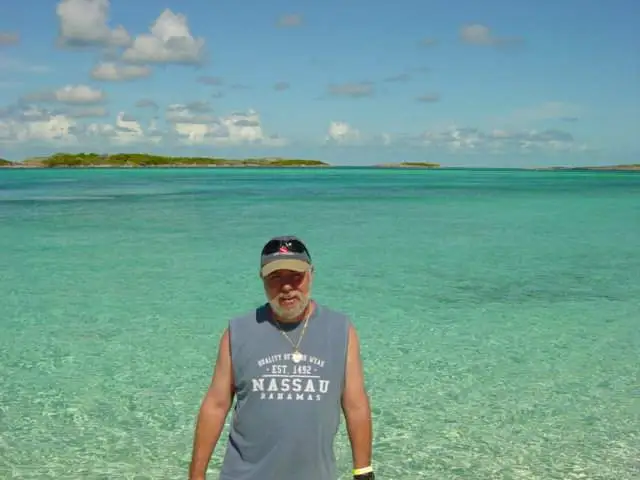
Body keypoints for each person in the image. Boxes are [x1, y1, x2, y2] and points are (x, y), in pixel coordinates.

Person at [188, 235, 375, 480]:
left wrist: (363, 471)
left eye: (295, 276)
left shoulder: (341, 330)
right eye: (276, 277)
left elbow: (356, 404)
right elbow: (216, 405)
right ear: (262, 279)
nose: (286, 287)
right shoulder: (238, 331)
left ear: (311, 274)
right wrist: (196, 475)